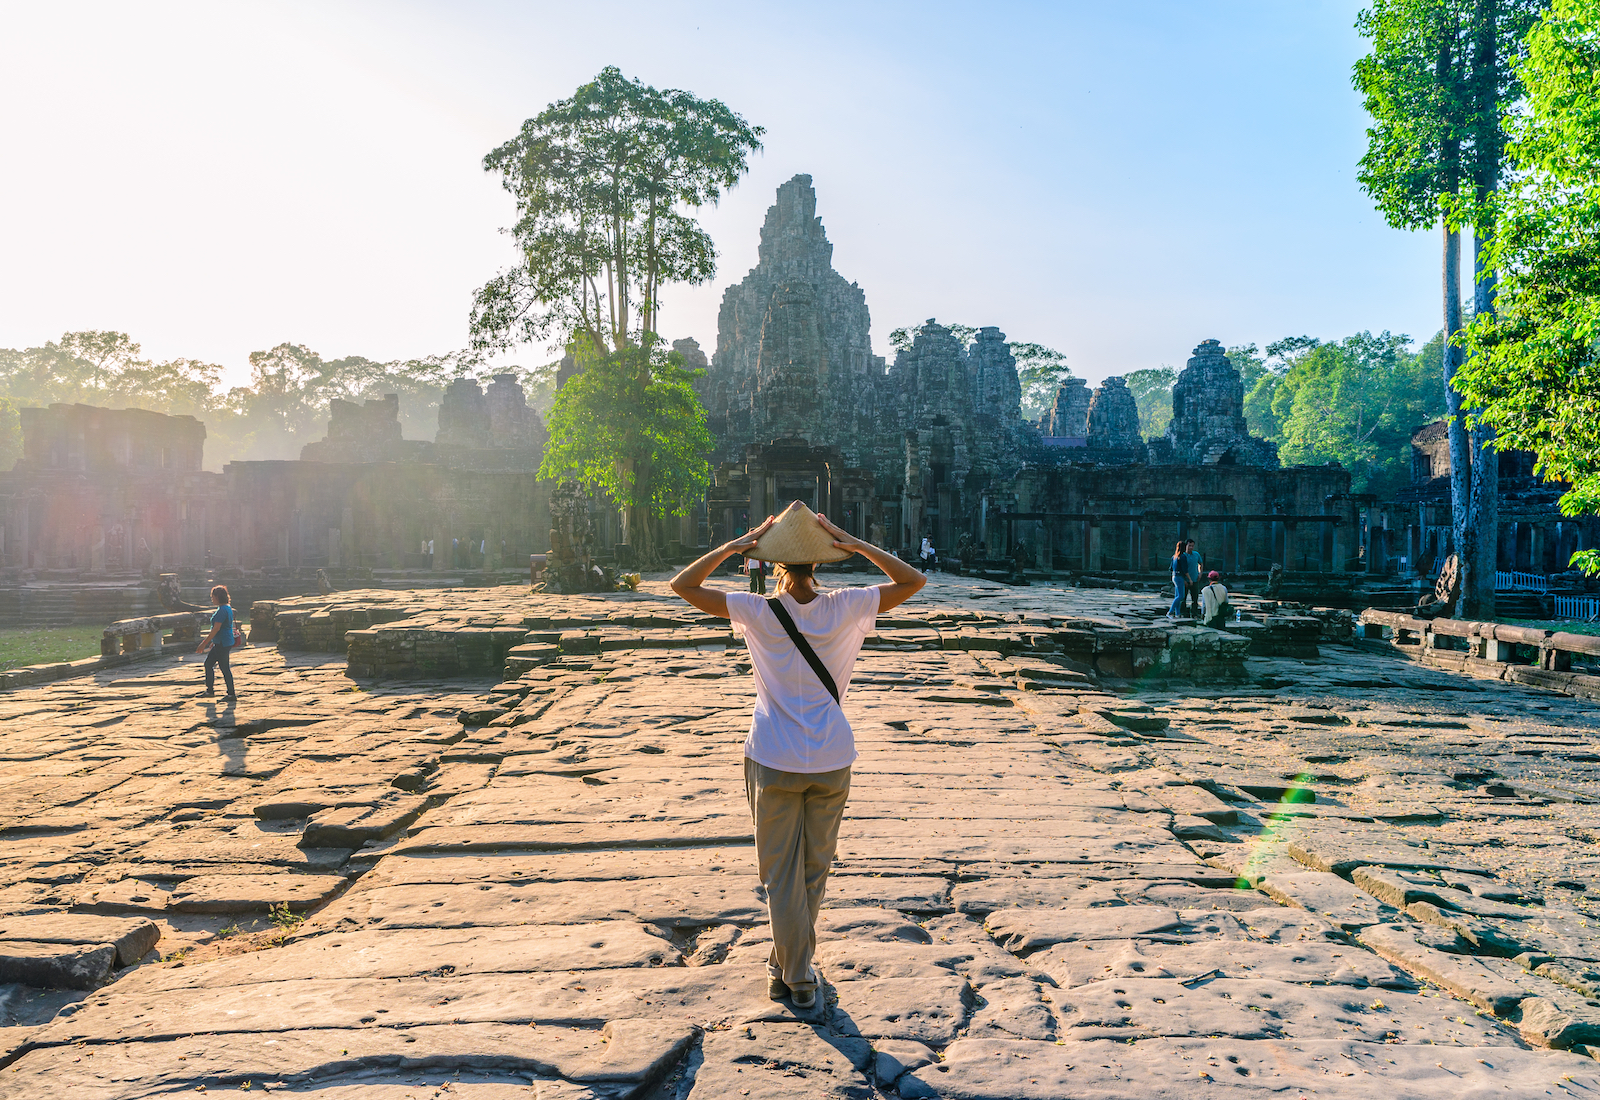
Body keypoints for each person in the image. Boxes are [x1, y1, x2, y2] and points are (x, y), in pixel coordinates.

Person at [669, 508, 926, 1010]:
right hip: (831, 757)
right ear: (819, 564)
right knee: (813, 871)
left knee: (779, 876)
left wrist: (733, 546)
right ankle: (784, 963)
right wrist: (857, 543)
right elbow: (914, 580)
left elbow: (683, 586)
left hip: (773, 757)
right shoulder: (848, 605)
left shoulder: (757, 611)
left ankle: (798, 976)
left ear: (777, 566)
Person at [195, 584, 237, 700]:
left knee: (224, 667)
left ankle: (231, 693)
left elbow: (216, 629)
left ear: (217, 597)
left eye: (212, 597)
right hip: (222, 641)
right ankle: (210, 690)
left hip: (223, 642)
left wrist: (204, 643)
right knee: (209, 664)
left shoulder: (222, 610)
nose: (212, 599)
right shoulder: (226, 608)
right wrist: (213, 642)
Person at [1167, 540, 1189, 619]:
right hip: (1179, 577)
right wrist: (1189, 579)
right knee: (1181, 596)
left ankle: (1178, 613)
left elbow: (1171, 568)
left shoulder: (1174, 556)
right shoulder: (1182, 556)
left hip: (1174, 576)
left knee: (1177, 595)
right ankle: (1170, 612)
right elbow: (1185, 570)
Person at [1184, 539, 1203, 616]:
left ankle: (1194, 613)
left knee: (1195, 598)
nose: (1191, 548)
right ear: (1186, 546)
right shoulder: (1183, 556)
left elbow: (1201, 563)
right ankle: (1183, 613)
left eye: (1192, 546)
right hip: (1185, 580)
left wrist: (1200, 573)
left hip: (1195, 579)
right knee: (1183, 598)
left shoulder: (1196, 554)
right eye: (1189, 546)